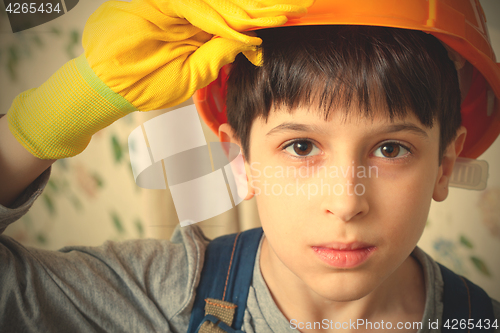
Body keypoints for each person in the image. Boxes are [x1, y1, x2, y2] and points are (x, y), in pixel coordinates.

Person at [0, 0, 499, 332]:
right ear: (241, 159)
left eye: (391, 149)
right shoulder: (166, 297)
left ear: (444, 165)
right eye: (302, 147)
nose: (347, 203)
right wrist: (56, 112)